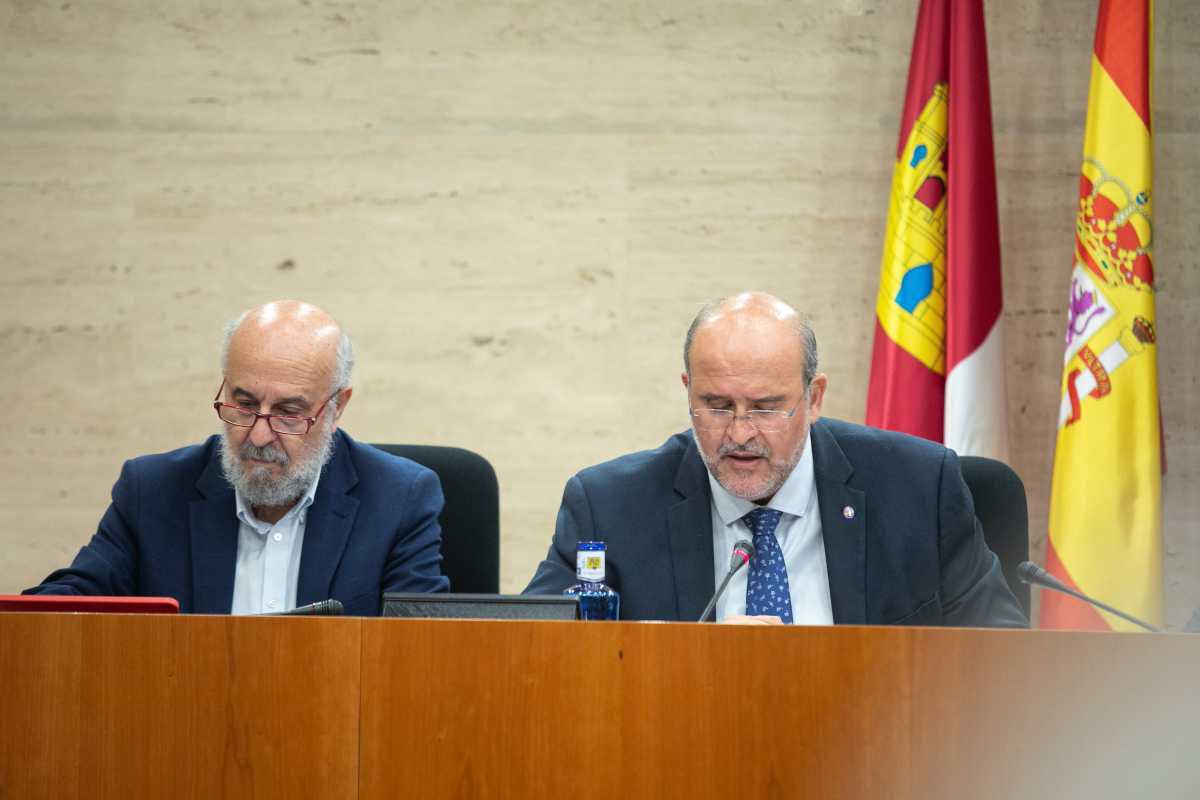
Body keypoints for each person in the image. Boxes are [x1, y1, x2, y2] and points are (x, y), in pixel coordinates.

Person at [525, 292, 1027, 627]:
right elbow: (531, 652)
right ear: (688, 391)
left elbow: (1002, 654)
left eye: (766, 407)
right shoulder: (611, 506)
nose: (740, 434)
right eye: (717, 405)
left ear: (814, 398)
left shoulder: (918, 488)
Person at [25, 300, 448, 614]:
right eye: (243, 405)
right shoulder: (151, 492)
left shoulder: (399, 500)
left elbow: (420, 652)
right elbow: (65, 607)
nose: (259, 435)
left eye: (288, 413)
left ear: (337, 407)